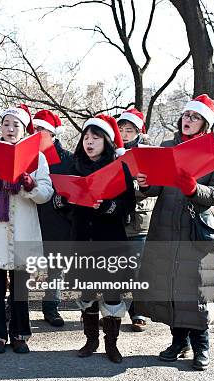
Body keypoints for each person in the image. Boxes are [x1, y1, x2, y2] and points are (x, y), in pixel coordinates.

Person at [136, 94, 214, 371]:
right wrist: (145, 183)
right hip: (165, 229)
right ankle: (179, 342)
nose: (188, 120)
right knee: (169, 287)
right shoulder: (167, 147)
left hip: (196, 232)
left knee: (197, 290)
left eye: (195, 117)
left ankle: (202, 346)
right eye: (186, 116)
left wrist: (194, 189)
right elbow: (157, 188)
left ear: (206, 124)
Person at [0, 104, 53, 354]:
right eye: (6, 124)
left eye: (16, 125)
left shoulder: (38, 156)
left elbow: (46, 193)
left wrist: (31, 184)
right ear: (1, 127)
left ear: (23, 129)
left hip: (24, 228)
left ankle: (19, 334)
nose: (10, 129)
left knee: (19, 290)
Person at [66, 115, 135, 364]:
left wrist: (106, 206)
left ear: (106, 140)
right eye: (86, 137)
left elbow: (128, 204)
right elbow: (62, 203)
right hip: (83, 239)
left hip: (110, 239)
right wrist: (64, 200)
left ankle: (112, 343)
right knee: (87, 293)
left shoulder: (119, 166)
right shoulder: (74, 167)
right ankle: (91, 339)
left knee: (112, 294)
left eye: (95, 137)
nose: (89, 142)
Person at [32, 110, 74, 327]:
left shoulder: (68, 158)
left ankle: (51, 306)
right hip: (30, 215)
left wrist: (63, 202)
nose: (36, 133)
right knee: (20, 263)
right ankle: (14, 305)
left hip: (57, 218)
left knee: (56, 266)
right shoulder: (26, 154)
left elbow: (74, 189)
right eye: (34, 129)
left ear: (53, 133)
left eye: (41, 129)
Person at [116, 108, 156, 332]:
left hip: (139, 219)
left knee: (138, 270)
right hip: (116, 219)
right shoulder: (113, 152)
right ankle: (115, 309)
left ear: (139, 132)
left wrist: (129, 187)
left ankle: (138, 311)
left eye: (129, 130)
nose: (124, 134)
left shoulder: (147, 153)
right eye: (121, 129)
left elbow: (153, 186)